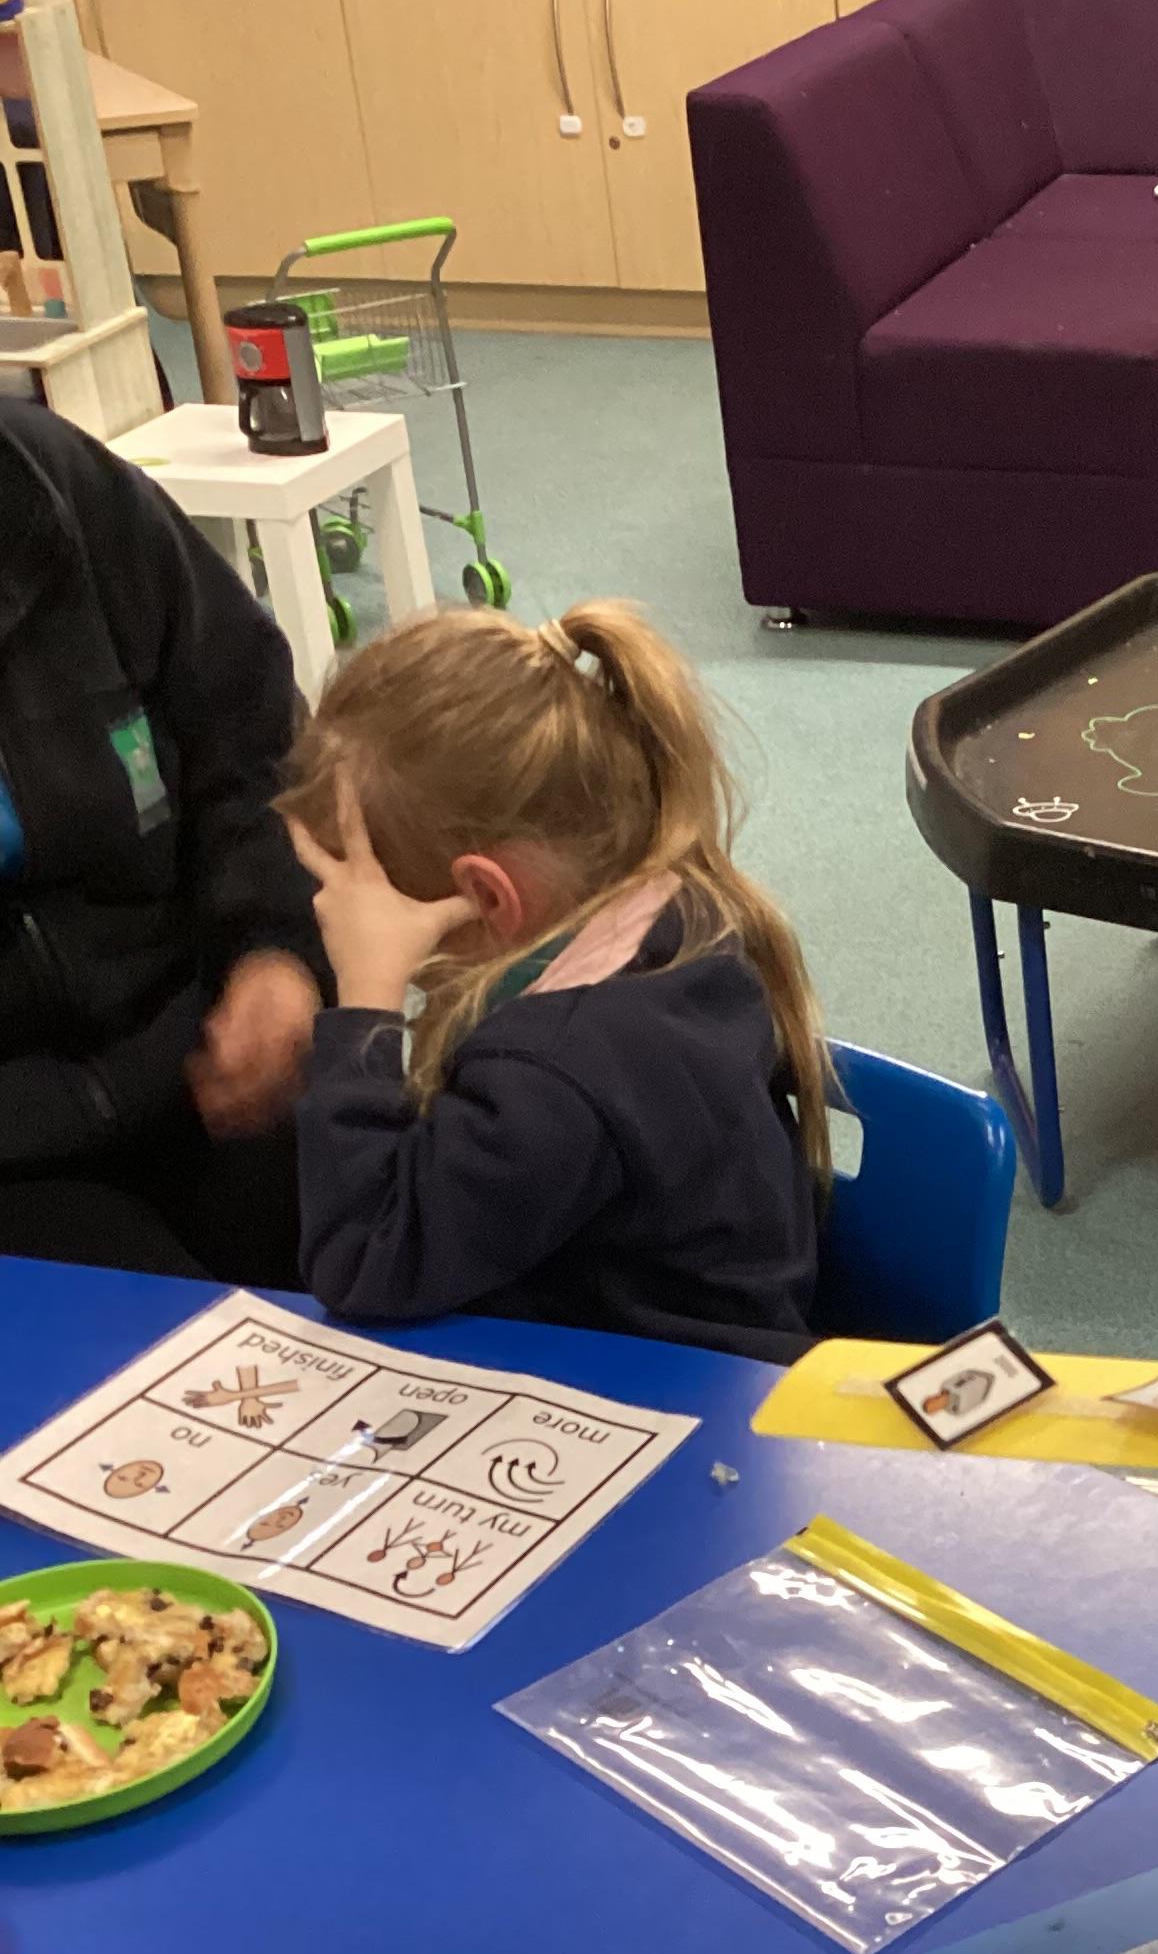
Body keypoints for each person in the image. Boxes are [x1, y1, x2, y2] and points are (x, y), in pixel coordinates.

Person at [280, 601, 829, 1360]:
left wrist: (365, 1001)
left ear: (487, 897)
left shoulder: (552, 1073)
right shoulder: (681, 911)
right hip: (709, 1346)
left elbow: (363, 1261)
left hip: (674, 1395)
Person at [0, 398, 325, 1282]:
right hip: (20, 1159)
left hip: (206, 1048)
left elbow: (251, 730)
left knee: (426, 1253)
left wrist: (275, 950)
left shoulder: (56, 488)